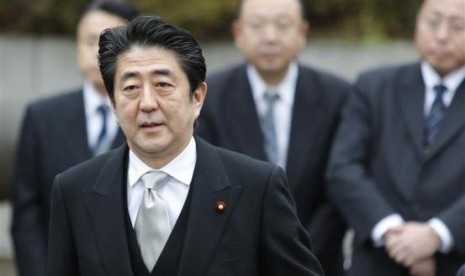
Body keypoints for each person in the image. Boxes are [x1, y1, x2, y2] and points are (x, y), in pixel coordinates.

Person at [46, 14, 324, 276]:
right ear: (114, 103)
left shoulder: (257, 188)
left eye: (163, 84)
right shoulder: (74, 190)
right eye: (131, 88)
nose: (147, 103)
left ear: (197, 97)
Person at [195, 0, 350, 274]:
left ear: (302, 32)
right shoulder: (208, 97)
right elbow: (207, 183)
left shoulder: (337, 96)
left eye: (282, 25)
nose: (270, 36)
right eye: (257, 25)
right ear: (238, 33)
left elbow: (339, 186)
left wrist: (297, 249)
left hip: (318, 259)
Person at [326, 0, 465, 275]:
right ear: (417, 24)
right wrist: (393, 232)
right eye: (432, 22)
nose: (441, 35)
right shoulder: (374, 87)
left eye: (457, 26)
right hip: (378, 258)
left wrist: (437, 235)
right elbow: (343, 168)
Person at [10, 1, 139, 276]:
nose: (99, 52)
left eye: (112, 40)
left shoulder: (152, 118)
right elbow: (27, 216)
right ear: (76, 46)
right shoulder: (42, 117)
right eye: (91, 40)